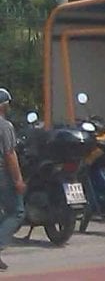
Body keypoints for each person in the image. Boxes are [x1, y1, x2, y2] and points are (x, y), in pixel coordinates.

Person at [0, 89, 22, 270]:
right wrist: (18, 180)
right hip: (2, 176)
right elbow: (10, 154)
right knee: (16, 212)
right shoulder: (5, 126)